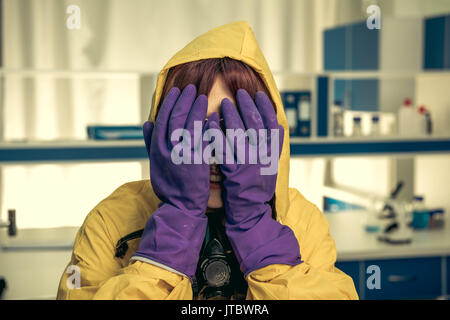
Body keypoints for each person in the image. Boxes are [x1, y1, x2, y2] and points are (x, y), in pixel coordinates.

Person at [56, 21, 358, 300]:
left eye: (233, 129)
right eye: (194, 128)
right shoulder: (112, 220)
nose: (214, 152)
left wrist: (259, 232)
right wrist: (174, 229)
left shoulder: (301, 221)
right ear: (160, 135)